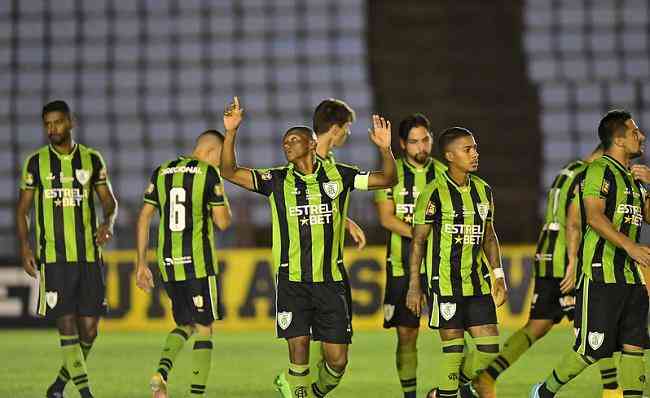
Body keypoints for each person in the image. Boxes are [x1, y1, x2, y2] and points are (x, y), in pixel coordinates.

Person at [220, 97, 397, 398]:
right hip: (293, 282)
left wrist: (385, 149)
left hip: (330, 282)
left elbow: (389, 178)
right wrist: (231, 132)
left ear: (311, 144)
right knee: (299, 352)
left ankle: (312, 393)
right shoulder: (275, 180)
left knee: (337, 361)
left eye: (293, 140)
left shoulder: (340, 175)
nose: (286, 145)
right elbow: (229, 171)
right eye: (284, 141)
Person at [474, 145, 611, 397]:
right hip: (566, 260)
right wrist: (575, 261)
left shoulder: (569, 170)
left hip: (546, 254)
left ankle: (487, 376)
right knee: (596, 326)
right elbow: (576, 221)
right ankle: (612, 391)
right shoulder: (589, 175)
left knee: (537, 325)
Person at [530, 110, 650, 398]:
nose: (641, 136)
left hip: (631, 277)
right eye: (635, 132)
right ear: (619, 139)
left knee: (635, 348)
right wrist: (631, 246)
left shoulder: (634, 178)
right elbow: (594, 217)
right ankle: (544, 392)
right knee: (591, 349)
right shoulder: (597, 172)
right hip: (599, 274)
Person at [16, 100, 118, 398]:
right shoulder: (35, 163)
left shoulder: (91, 159)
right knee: (67, 326)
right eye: (47, 124)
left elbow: (109, 201)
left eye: (57, 122)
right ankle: (86, 394)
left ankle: (58, 387)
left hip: (88, 256)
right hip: (55, 260)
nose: (52, 129)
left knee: (90, 331)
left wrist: (108, 222)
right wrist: (25, 247)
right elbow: (22, 209)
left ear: (71, 122)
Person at [406, 127, 508, 398]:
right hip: (444, 282)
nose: (475, 154)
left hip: (476, 282)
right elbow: (418, 241)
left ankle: (448, 390)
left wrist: (498, 275)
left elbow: (488, 236)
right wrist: (414, 286)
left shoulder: (483, 190)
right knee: (454, 350)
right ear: (450, 156)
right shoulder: (434, 192)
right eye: (468, 149)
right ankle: (449, 394)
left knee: (489, 349)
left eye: (475, 148)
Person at [135, 130, 231, 397]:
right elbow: (223, 222)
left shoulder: (162, 171)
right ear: (214, 151)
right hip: (198, 264)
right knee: (204, 328)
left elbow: (143, 218)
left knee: (185, 324)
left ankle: (161, 372)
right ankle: (196, 394)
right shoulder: (209, 174)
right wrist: (220, 187)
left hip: (168, 264)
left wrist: (141, 263)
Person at [374, 113, 446, 398]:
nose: (422, 147)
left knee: (455, 332)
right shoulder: (392, 173)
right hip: (401, 265)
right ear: (403, 144)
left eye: (425, 139)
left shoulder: (442, 172)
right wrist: (421, 235)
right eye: (414, 141)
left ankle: (454, 389)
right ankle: (410, 396)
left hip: (439, 264)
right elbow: (387, 219)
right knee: (406, 335)